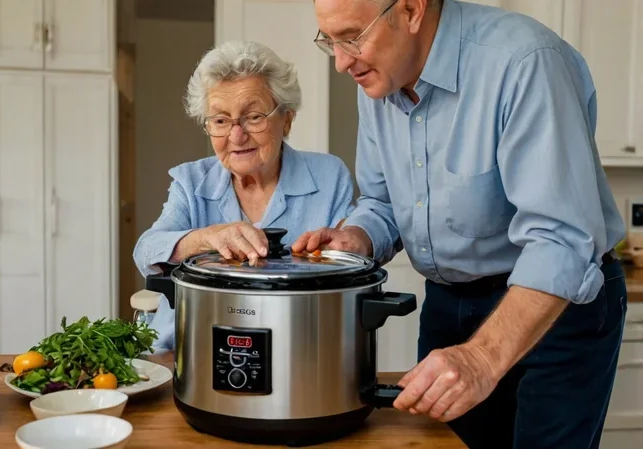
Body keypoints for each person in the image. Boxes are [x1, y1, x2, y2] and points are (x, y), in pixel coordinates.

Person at [294, 0, 628, 448]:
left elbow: (562, 241)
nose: (341, 62)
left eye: (352, 37)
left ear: (411, 10)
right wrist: (359, 235)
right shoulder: (378, 77)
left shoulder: (524, 62)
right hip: (449, 305)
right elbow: (383, 200)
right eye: (329, 42)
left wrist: (481, 358)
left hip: (556, 307)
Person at [133, 40, 355, 350]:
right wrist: (208, 237)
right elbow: (146, 250)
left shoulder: (328, 176)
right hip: (190, 350)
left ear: (287, 119)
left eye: (253, 117)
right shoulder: (191, 180)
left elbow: (347, 270)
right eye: (221, 121)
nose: (237, 136)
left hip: (299, 353)